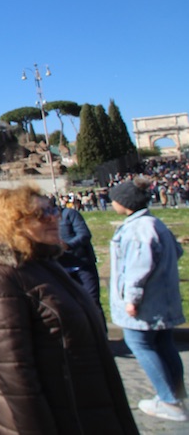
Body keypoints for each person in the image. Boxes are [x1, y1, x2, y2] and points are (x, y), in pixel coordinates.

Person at [0, 185, 138, 434]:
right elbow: (15, 375)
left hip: (85, 405)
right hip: (59, 413)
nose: (54, 217)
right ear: (12, 222)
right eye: (41, 214)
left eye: (52, 209)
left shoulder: (45, 262)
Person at [109, 177, 187, 422]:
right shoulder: (154, 223)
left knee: (140, 345)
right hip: (161, 298)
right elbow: (177, 250)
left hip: (145, 304)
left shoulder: (137, 229)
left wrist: (132, 299)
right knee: (164, 345)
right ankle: (176, 395)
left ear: (124, 203)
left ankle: (169, 400)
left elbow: (137, 267)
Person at [58, 204, 104, 326]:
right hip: (61, 267)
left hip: (82, 265)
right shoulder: (40, 220)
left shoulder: (69, 214)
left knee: (92, 302)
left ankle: (102, 336)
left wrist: (68, 245)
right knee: (68, 305)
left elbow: (84, 234)